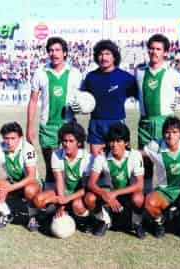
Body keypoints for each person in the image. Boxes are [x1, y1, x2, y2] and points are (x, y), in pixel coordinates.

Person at [26, 36, 82, 184]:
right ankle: (51, 200)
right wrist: (29, 127)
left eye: (57, 50)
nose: (54, 53)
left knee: (70, 165)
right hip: (47, 126)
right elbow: (32, 101)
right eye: (50, 50)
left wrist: (82, 107)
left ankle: (68, 199)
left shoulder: (75, 73)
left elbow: (82, 100)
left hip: (68, 125)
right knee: (51, 167)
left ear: (64, 53)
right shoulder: (40, 73)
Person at [135, 34, 180, 193]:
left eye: (158, 49)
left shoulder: (173, 74)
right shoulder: (139, 72)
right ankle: (146, 193)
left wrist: (176, 102)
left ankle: (172, 197)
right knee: (144, 161)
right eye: (151, 48)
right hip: (145, 122)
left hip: (164, 123)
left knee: (167, 160)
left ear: (165, 52)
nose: (154, 52)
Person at [85, 123, 145, 238]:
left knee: (138, 198)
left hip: (127, 194)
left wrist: (115, 193)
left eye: (119, 141)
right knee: (89, 198)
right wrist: (106, 194)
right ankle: (103, 221)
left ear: (126, 142)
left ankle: (136, 223)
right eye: (112, 141)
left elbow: (139, 185)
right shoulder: (101, 156)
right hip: (108, 193)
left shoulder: (135, 155)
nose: (114, 145)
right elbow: (91, 183)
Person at [143, 116, 180, 239]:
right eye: (167, 132)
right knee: (149, 203)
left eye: (174, 132)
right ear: (163, 134)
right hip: (164, 191)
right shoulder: (156, 146)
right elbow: (141, 153)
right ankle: (160, 222)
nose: (170, 136)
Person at [0, 122, 43, 231]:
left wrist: (7, 189)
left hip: (30, 184)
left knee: (29, 190)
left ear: (20, 137)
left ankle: (33, 216)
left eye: (13, 138)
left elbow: (31, 177)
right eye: (6, 138)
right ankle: (6, 213)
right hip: (12, 183)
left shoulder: (27, 148)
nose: (9, 142)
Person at [81, 39, 138, 155]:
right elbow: (84, 100)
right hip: (96, 124)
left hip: (116, 122)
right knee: (96, 162)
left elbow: (139, 96)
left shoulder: (126, 77)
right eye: (100, 54)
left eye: (107, 54)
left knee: (117, 162)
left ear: (114, 57)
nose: (103, 57)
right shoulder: (90, 77)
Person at [33, 122, 93, 222]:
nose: (67, 144)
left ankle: (88, 220)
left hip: (78, 194)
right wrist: (61, 206)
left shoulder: (87, 158)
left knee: (77, 205)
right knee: (38, 200)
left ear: (78, 142)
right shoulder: (56, 155)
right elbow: (59, 182)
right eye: (64, 141)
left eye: (71, 141)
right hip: (63, 192)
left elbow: (86, 188)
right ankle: (58, 212)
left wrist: (68, 199)